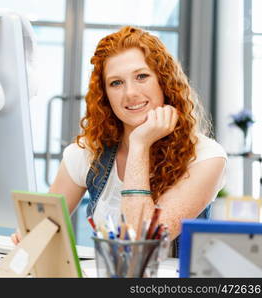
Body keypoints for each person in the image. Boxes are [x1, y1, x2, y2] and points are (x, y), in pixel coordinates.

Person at [12, 26, 227, 255]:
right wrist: (29, 234)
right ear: (105, 95)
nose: (130, 93)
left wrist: (139, 145)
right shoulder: (89, 152)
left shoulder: (206, 156)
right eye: (116, 83)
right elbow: (41, 228)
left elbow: (142, 243)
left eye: (142, 76)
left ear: (164, 82)